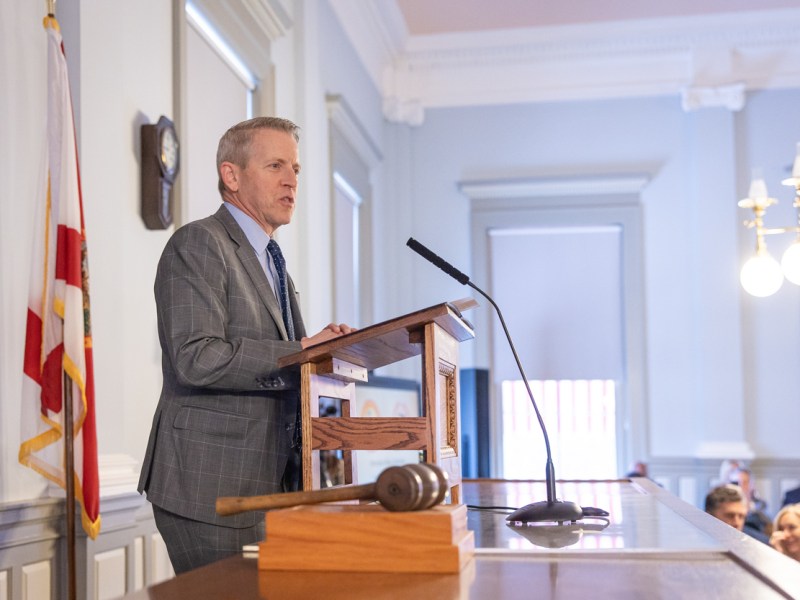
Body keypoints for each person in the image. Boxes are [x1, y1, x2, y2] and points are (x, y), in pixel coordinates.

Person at [137, 116, 354, 573]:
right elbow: (196, 357)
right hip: (211, 486)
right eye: (276, 165)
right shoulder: (199, 243)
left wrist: (323, 352)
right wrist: (301, 350)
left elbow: (287, 362)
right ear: (231, 176)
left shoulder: (273, 262)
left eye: (295, 168)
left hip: (272, 484)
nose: (292, 180)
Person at [704, 484, 768, 543]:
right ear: (710, 516)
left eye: (741, 516)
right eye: (730, 516)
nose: (737, 523)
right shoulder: (700, 543)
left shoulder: (759, 544)